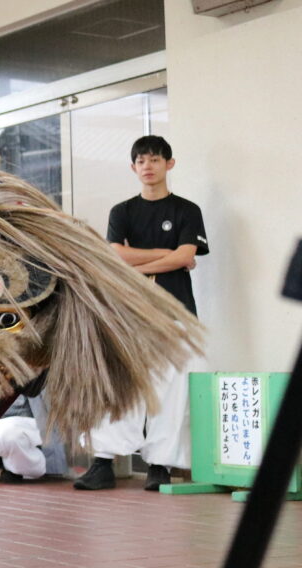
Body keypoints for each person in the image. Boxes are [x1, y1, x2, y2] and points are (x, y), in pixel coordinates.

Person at [75, 135, 208, 492]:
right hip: (129, 312)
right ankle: (103, 462)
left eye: (155, 159)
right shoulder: (122, 211)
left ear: (170, 164)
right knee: (120, 383)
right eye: (141, 161)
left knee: (171, 390)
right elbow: (116, 254)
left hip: (175, 311)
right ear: (133, 167)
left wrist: (142, 259)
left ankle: (160, 466)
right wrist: (168, 255)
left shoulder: (187, 210)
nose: (148, 166)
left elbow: (186, 256)